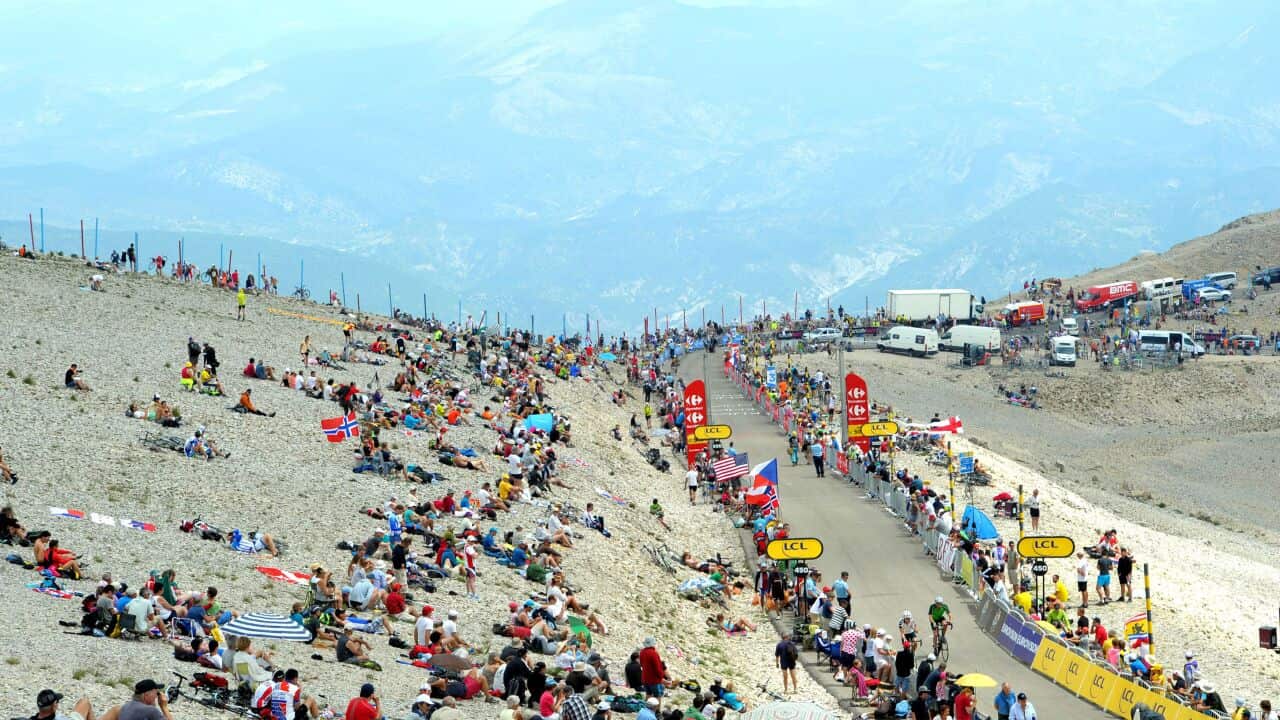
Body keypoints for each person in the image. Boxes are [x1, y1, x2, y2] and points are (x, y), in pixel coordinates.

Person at [106, 679, 174, 720]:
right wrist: (164, 707)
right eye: (156, 693)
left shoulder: (125, 707)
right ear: (146, 695)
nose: (157, 696)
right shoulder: (151, 710)